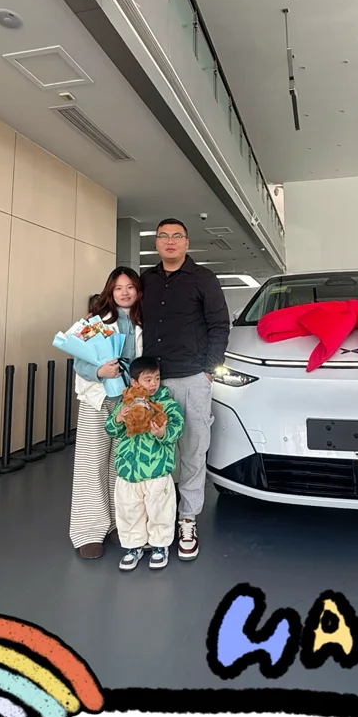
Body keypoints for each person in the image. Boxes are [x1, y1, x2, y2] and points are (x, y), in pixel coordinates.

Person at [140, 218, 230, 561]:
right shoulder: (146, 280)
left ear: (187, 243)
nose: (170, 241)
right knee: (155, 453)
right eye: (163, 236)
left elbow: (219, 325)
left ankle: (187, 519)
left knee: (192, 451)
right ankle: (157, 520)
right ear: (156, 243)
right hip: (153, 381)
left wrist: (209, 370)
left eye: (177, 236)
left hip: (193, 378)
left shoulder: (204, 279)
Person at [69, 267, 143, 560]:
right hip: (97, 400)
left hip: (129, 402)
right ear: (110, 291)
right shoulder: (95, 321)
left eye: (130, 287)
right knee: (92, 463)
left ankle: (117, 523)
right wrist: (100, 371)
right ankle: (88, 531)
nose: (125, 293)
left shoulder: (144, 321)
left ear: (138, 290)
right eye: (118, 288)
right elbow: (79, 361)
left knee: (120, 465)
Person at [105, 357, 184, 571]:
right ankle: (133, 546)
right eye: (148, 379)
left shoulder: (166, 404)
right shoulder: (126, 403)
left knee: (160, 510)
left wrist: (163, 433)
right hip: (128, 471)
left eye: (157, 378)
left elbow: (178, 426)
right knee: (129, 510)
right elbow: (111, 430)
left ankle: (160, 545)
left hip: (157, 470)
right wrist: (118, 418)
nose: (154, 384)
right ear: (134, 382)